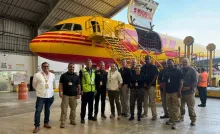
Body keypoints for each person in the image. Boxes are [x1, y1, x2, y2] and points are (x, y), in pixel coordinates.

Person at [32, 62, 55, 133]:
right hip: (41, 96)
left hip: (50, 96)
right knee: (38, 111)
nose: (46, 68)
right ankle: (36, 126)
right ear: (42, 67)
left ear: (49, 67)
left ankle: (46, 123)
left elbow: (52, 84)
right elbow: (34, 85)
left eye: (47, 66)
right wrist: (40, 91)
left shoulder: (52, 75)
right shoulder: (37, 75)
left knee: (47, 110)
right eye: (44, 66)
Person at [59, 63, 81, 128]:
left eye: (73, 67)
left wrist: (78, 93)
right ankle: (63, 122)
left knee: (73, 109)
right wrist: (60, 92)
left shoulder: (76, 76)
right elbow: (60, 85)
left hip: (74, 95)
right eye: (70, 67)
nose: (72, 68)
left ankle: (72, 120)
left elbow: (79, 86)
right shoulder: (63, 75)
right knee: (64, 109)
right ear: (68, 67)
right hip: (65, 95)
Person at [164, 59, 183, 129]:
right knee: (170, 107)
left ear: (173, 63)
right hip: (168, 92)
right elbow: (165, 82)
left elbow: (181, 81)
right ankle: (171, 119)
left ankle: (175, 122)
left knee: (176, 107)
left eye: (170, 63)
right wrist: (165, 91)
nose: (169, 64)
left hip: (175, 92)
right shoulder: (166, 71)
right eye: (168, 63)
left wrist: (179, 90)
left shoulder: (178, 71)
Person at [180, 58, 198, 126]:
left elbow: (195, 81)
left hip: (189, 92)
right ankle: (181, 117)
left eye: (186, 62)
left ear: (189, 63)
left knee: (190, 107)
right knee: (181, 106)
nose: (184, 63)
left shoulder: (192, 70)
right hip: (181, 91)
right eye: (183, 62)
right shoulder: (180, 69)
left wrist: (189, 87)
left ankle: (193, 119)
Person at [141, 55, 158, 120]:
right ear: (144, 60)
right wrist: (145, 84)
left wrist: (149, 85)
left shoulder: (154, 67)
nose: (147, 60)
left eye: (148, 59)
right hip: (144, 87)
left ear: (150, 60)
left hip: (151, 86)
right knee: (145, 101)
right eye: (146, 59)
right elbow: (142, 76)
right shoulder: (143, 67)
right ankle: (145, 113)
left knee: (152, 101)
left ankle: (154, 115)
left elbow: (155, 77)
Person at [80, 59, 96, 123]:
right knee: (84, 105)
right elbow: (80, 81)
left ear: (91, 64)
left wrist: (95, 89)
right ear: (85, 63)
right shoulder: (82, 71)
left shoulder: (93, 71)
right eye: (88, 62)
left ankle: (90, 116)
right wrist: (81, 90)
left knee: (91, 104)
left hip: (92, 91)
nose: (89, 64)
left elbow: (94, 81)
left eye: (90, 62)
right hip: (85, 91)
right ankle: (82, 118)